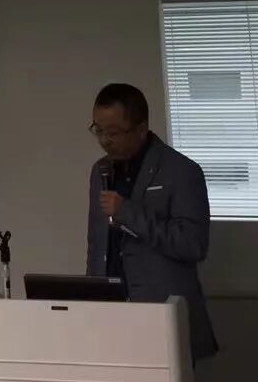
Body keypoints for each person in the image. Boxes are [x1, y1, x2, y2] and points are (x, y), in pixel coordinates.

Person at [85, 83, 218, 362]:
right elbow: (97, 245)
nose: (105, 140)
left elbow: (193, 244)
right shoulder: (100, 171)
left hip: (161, 317)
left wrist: (128, 213)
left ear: (141, 128)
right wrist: (90, 302)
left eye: (113, 132)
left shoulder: (182, 171)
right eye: (98, 130)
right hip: (110, 318)